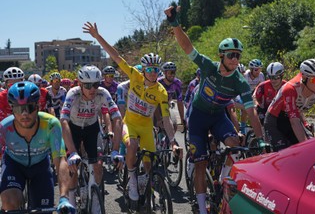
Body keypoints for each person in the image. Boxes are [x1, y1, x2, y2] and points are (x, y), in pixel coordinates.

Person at [164, 6, 263, 214]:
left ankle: (221, 180)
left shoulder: (239, 82)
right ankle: (201, 209)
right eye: (230, 55)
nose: (235, 59)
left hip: (218, 117)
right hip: (197, 118)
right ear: (221, 56)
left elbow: (251, 110)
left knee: (235, 146)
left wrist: (261, 139)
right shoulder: (208, 67)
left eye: (238, 55)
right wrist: (174, 24)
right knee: (200, 164)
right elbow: (187, 47)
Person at [82, 21, 182, 203]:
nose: (153, 73)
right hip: (130, 124)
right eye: (149, 69)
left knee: (149, 164)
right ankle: (132, 179)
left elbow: (166, 119)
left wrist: (173, 141)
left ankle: (145, 181)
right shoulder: (134, 76)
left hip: (146, 127)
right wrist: (97, 37)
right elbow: (116, 55)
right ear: (143, 70)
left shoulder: (161, 92)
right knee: (132, 146)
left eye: (156, 70)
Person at [0, 81, 74, 213]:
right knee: (10, 203)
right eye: (18, 109)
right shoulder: (4, 128)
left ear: (38, 106)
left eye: (29, 108)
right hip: (14, 165)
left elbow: (60, 160)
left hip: (40, 165)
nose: (24, 114)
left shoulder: (51, 124)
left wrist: (64, 197)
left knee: (44, 210)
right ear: (11, 109)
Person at [60, 64, 122, 208]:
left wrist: (115, 150)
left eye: (95, 84)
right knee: (73, 167)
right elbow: (63, 121)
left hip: (91, 128)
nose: (92, 89)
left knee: (98, 165)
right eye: (88, 86)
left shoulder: (103, 93)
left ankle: (95, 202)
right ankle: (72, 201)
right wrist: (73, 152)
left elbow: (117, 118)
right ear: (80, 84)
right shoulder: (73, 94)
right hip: (73, 128)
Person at [264, 58, 315, 151]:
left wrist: (305, 124)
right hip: (275, 120)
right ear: (305, 78)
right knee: (285, 153)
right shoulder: (291, 88)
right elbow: (294, 122)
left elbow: (297, 113)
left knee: (311, 145)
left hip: (293, 116)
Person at [157, 61, 185, 131]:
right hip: (156, 105)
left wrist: (182, 120)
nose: (172, 75)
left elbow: (180, 102)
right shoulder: (158, 82)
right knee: (157, 125)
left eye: (173, 72)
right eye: (170, 73)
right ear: (165, 73)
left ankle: (167, 141)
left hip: (166, 105)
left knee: (174, 126)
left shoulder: (177, 83)